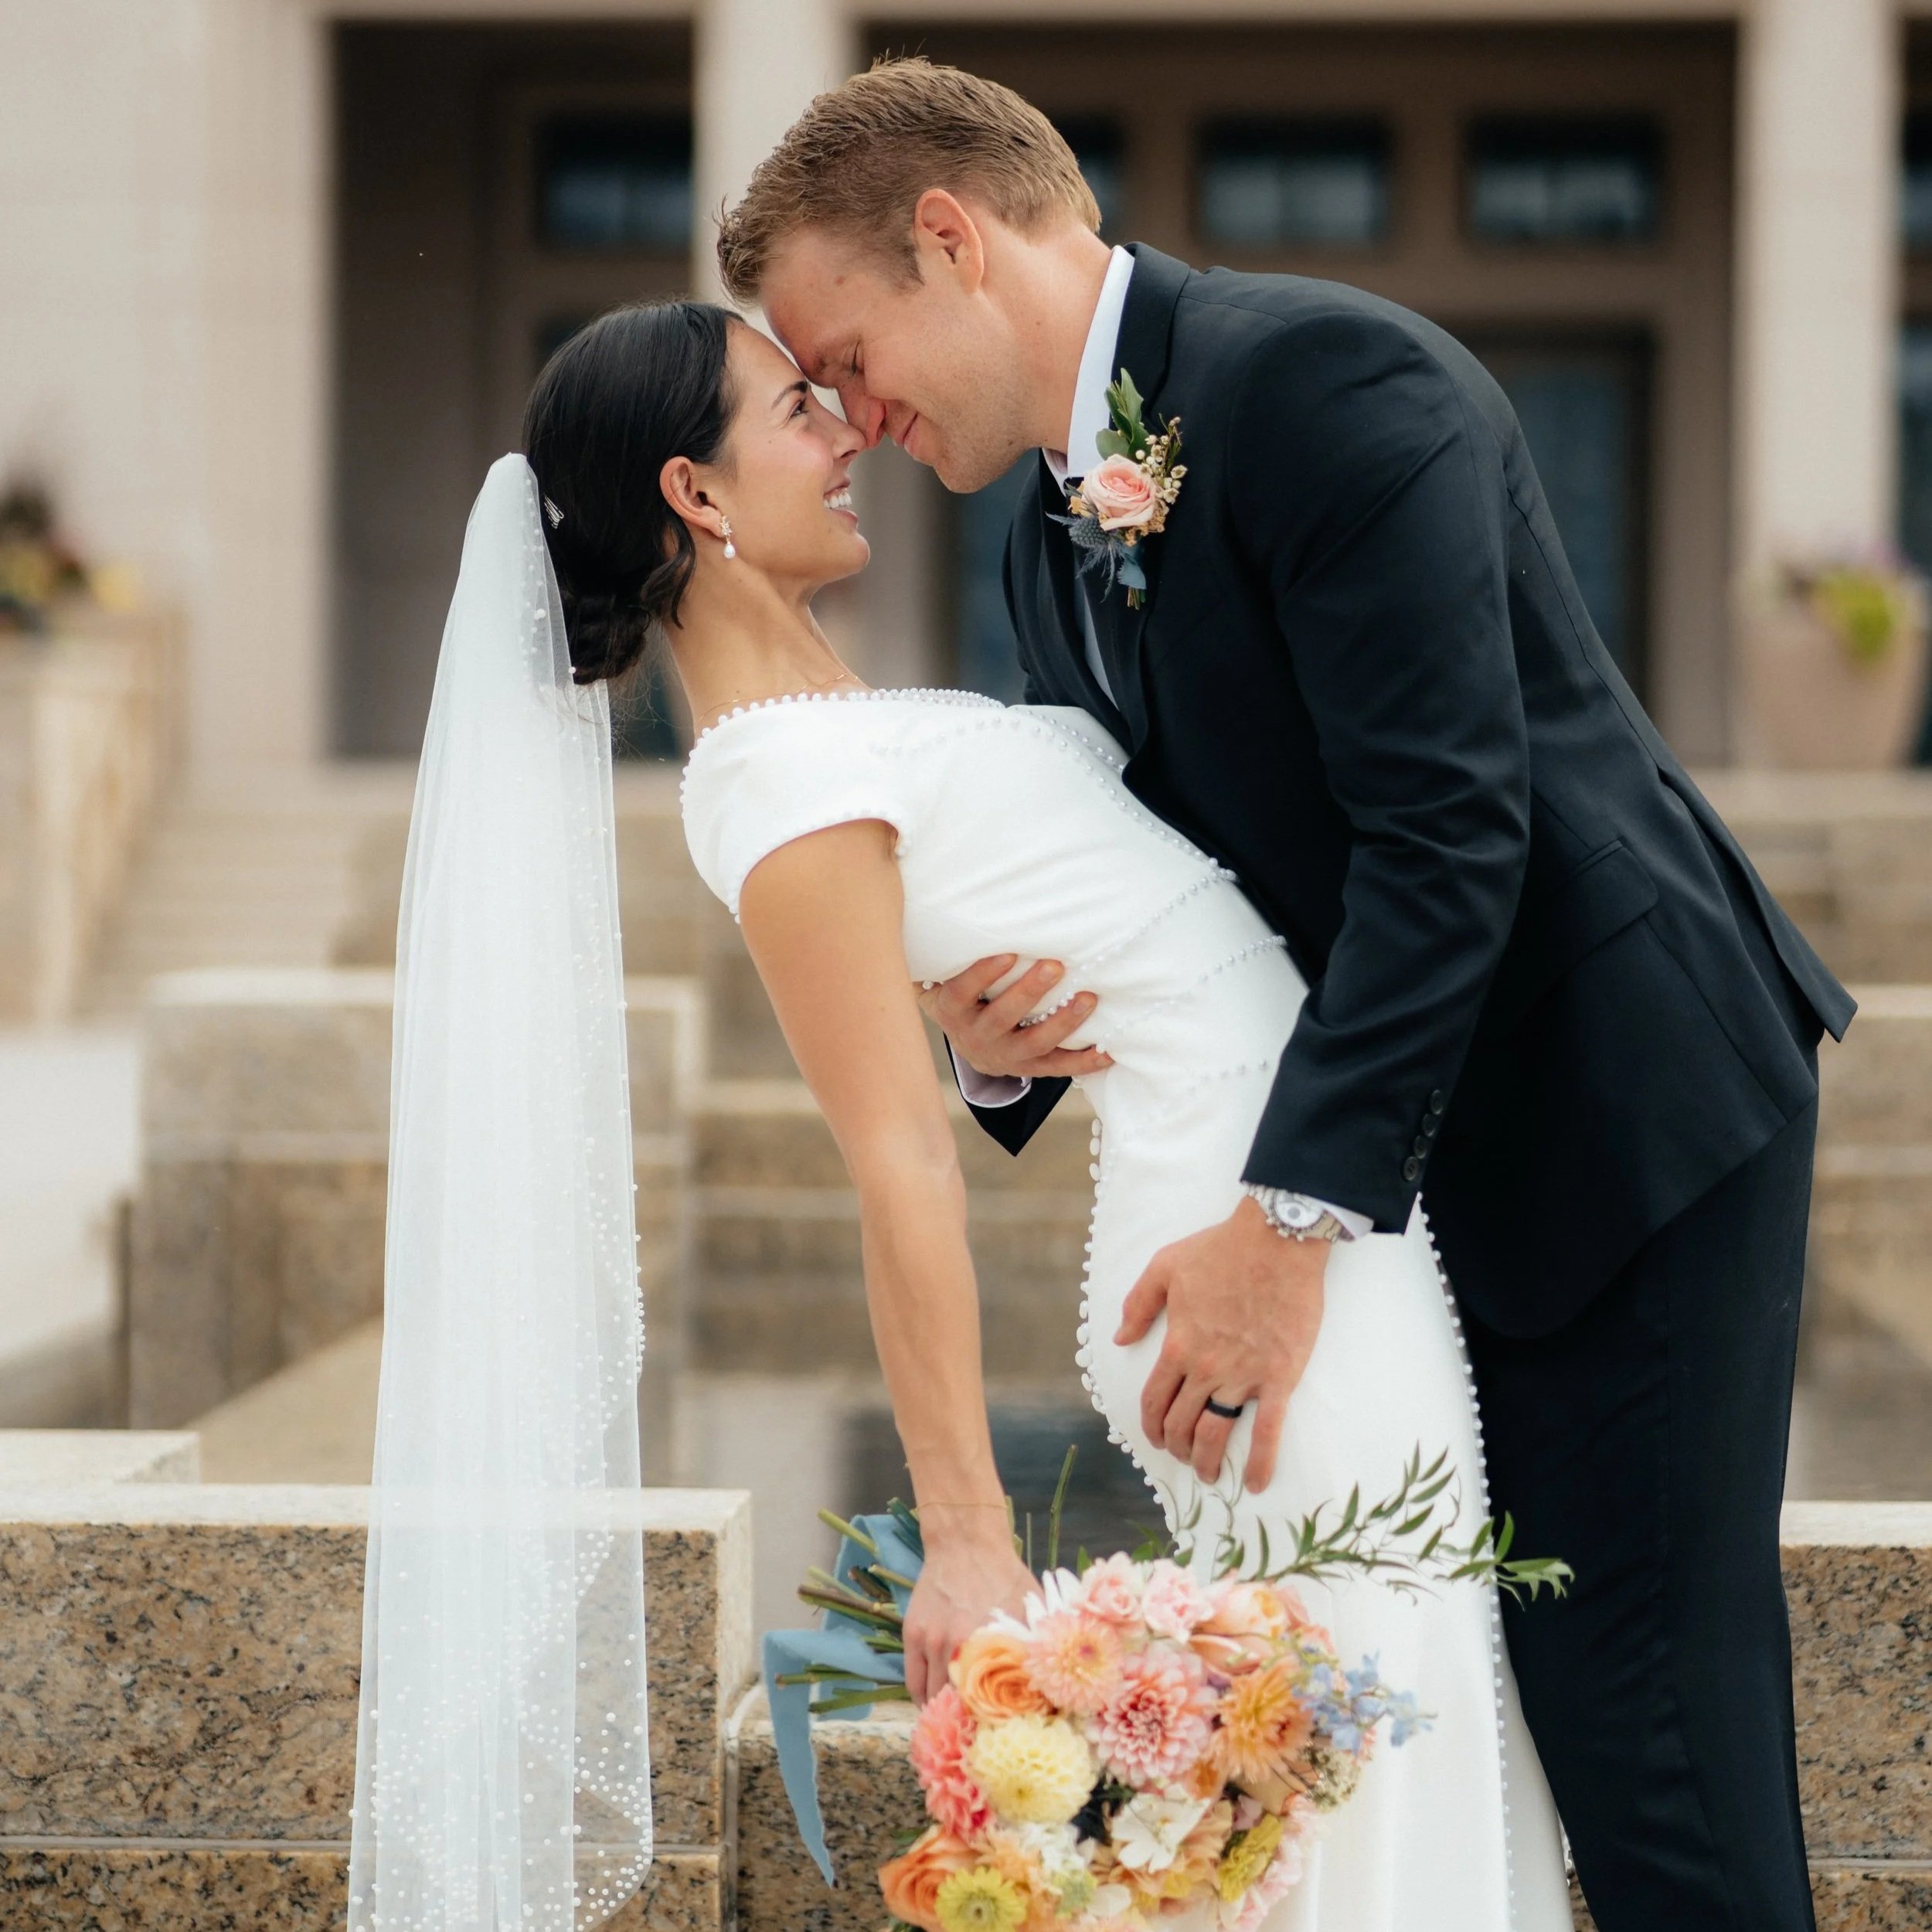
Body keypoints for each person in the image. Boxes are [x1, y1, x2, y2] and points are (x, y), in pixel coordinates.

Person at [711, 56, 1854, 1932]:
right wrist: (990, 1049)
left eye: (841, 354)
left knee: (1643, 1725)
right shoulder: (1040, 524)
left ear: (948, 241)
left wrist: (1288, 1220)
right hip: (1411, 1140)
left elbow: (1446, 832)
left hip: (1608, 1111)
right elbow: (1147, 868)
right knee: (1489, 1711)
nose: (843, 413)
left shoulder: (1323, 379)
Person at [522, 295, 1573, 1931]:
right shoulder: (770, 782)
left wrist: (983, 1028)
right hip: (1236, 1231)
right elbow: (894, 1164)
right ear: (698, 495)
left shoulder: (829, 727)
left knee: (1381, 1686)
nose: (845, 429)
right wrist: (963, 1532)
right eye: (797, 406)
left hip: (1283, 1182)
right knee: (1377, 1685)